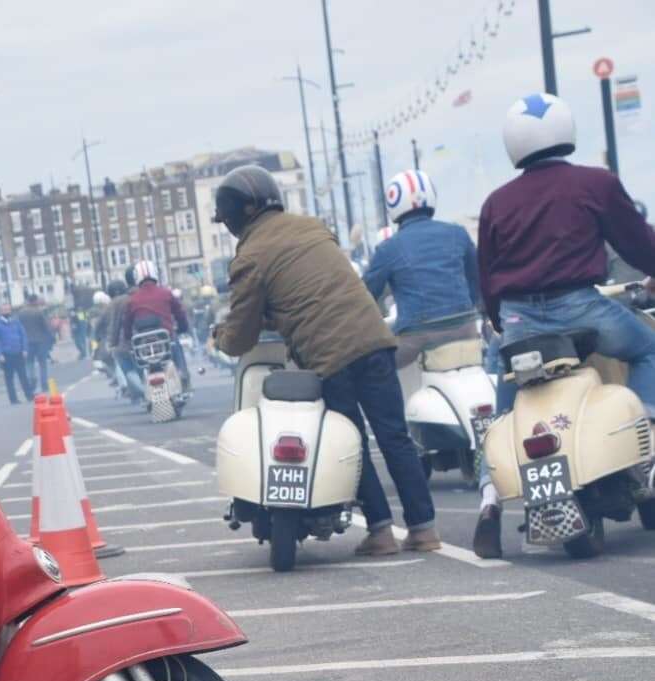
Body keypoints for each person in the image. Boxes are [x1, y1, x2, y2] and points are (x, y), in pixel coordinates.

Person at [211, 164, 439, 555]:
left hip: (329, 355)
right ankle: (423, 529)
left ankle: (381, 532)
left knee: (352, 441)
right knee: (394, 436)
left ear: (235, 217)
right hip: (373, 338)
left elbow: (242, 335)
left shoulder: (249, 256)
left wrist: (220, 337)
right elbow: (310, 286)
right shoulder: (313, 227)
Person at [472, 93, 655, 558]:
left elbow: (488, 278)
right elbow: (638, 245)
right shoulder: (595, 184)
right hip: (581, 309)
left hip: (517, 319)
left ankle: (489, 496)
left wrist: (502, 322)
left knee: (507, 401)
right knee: (647, 349)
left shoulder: (496, 203)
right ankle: (646, 439)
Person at [363, 170, 483, 369]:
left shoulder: (388, 248)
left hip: (417, 336)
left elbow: (365, 296)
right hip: (466, 328)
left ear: (393, 204)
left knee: (377, 372)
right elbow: (476, 281)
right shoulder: (457, 233)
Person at [121, 260, 193, 391]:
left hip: (144, 344)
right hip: (165, 339)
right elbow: (180, 314)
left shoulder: (132, 300)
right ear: (155, 273)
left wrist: (128, 338)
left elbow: (127, 324)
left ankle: (143, 382)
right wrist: (183, 328)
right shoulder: (165, 293)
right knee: (176, 346)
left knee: (137, 359)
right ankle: (183, 374)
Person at [0, 302, 32, 404]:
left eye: (8, 309)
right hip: (6, 355)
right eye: (4, 310)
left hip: (18, 352)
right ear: (0, 312)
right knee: (9, 378)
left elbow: (23, 335)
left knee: (23, 375)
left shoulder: (16, 322)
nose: (7, 312)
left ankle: (29, 395)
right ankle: (13, 399)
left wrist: (25, 349)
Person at [17, 293, 53, 391]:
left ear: (28, 301)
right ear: (35, 301)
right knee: (42, 364)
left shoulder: (21, 313)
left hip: (27, 342)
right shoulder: (39, 312)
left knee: (29, 363)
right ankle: (44, 384)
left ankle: (32, 382)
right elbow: (46, 327)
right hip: (40, 341)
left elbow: (18, 328)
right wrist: (50, 339)